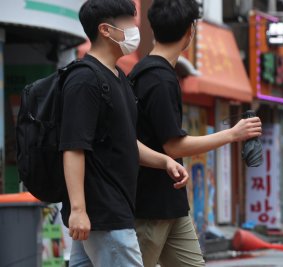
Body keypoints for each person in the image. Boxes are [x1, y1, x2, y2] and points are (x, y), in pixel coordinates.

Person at [131, 0, 262, 266]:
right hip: (150, 205)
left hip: (170, 202)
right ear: (190, 32)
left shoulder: (148, 72)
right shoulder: (158, 79)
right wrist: (233, 134)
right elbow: (174, 146)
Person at [61, 0, 189, 266]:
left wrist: (164, 161)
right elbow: (73, 146)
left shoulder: (118, 77)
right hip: (105, 213)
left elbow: (125, 142)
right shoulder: (84, 79)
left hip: (110, 212)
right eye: (129, 22)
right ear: (106, 30)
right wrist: (78, 209)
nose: (135, 27)